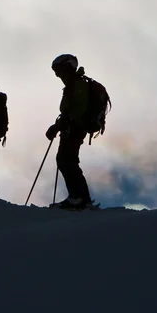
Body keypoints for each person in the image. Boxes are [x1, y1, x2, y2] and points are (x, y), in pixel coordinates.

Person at [45, 54, 94, 210]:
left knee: (67, 160)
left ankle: (79, 198)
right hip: (72, 127)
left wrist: (60, 125)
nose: (57, 75)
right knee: (66, 160)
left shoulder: (77, 84)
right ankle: (79, 197)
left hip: (75, 128)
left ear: (68, 68)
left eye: (58, 71)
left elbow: (77, 110)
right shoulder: (74, 85)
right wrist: (58, 126)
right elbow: (68, 112)